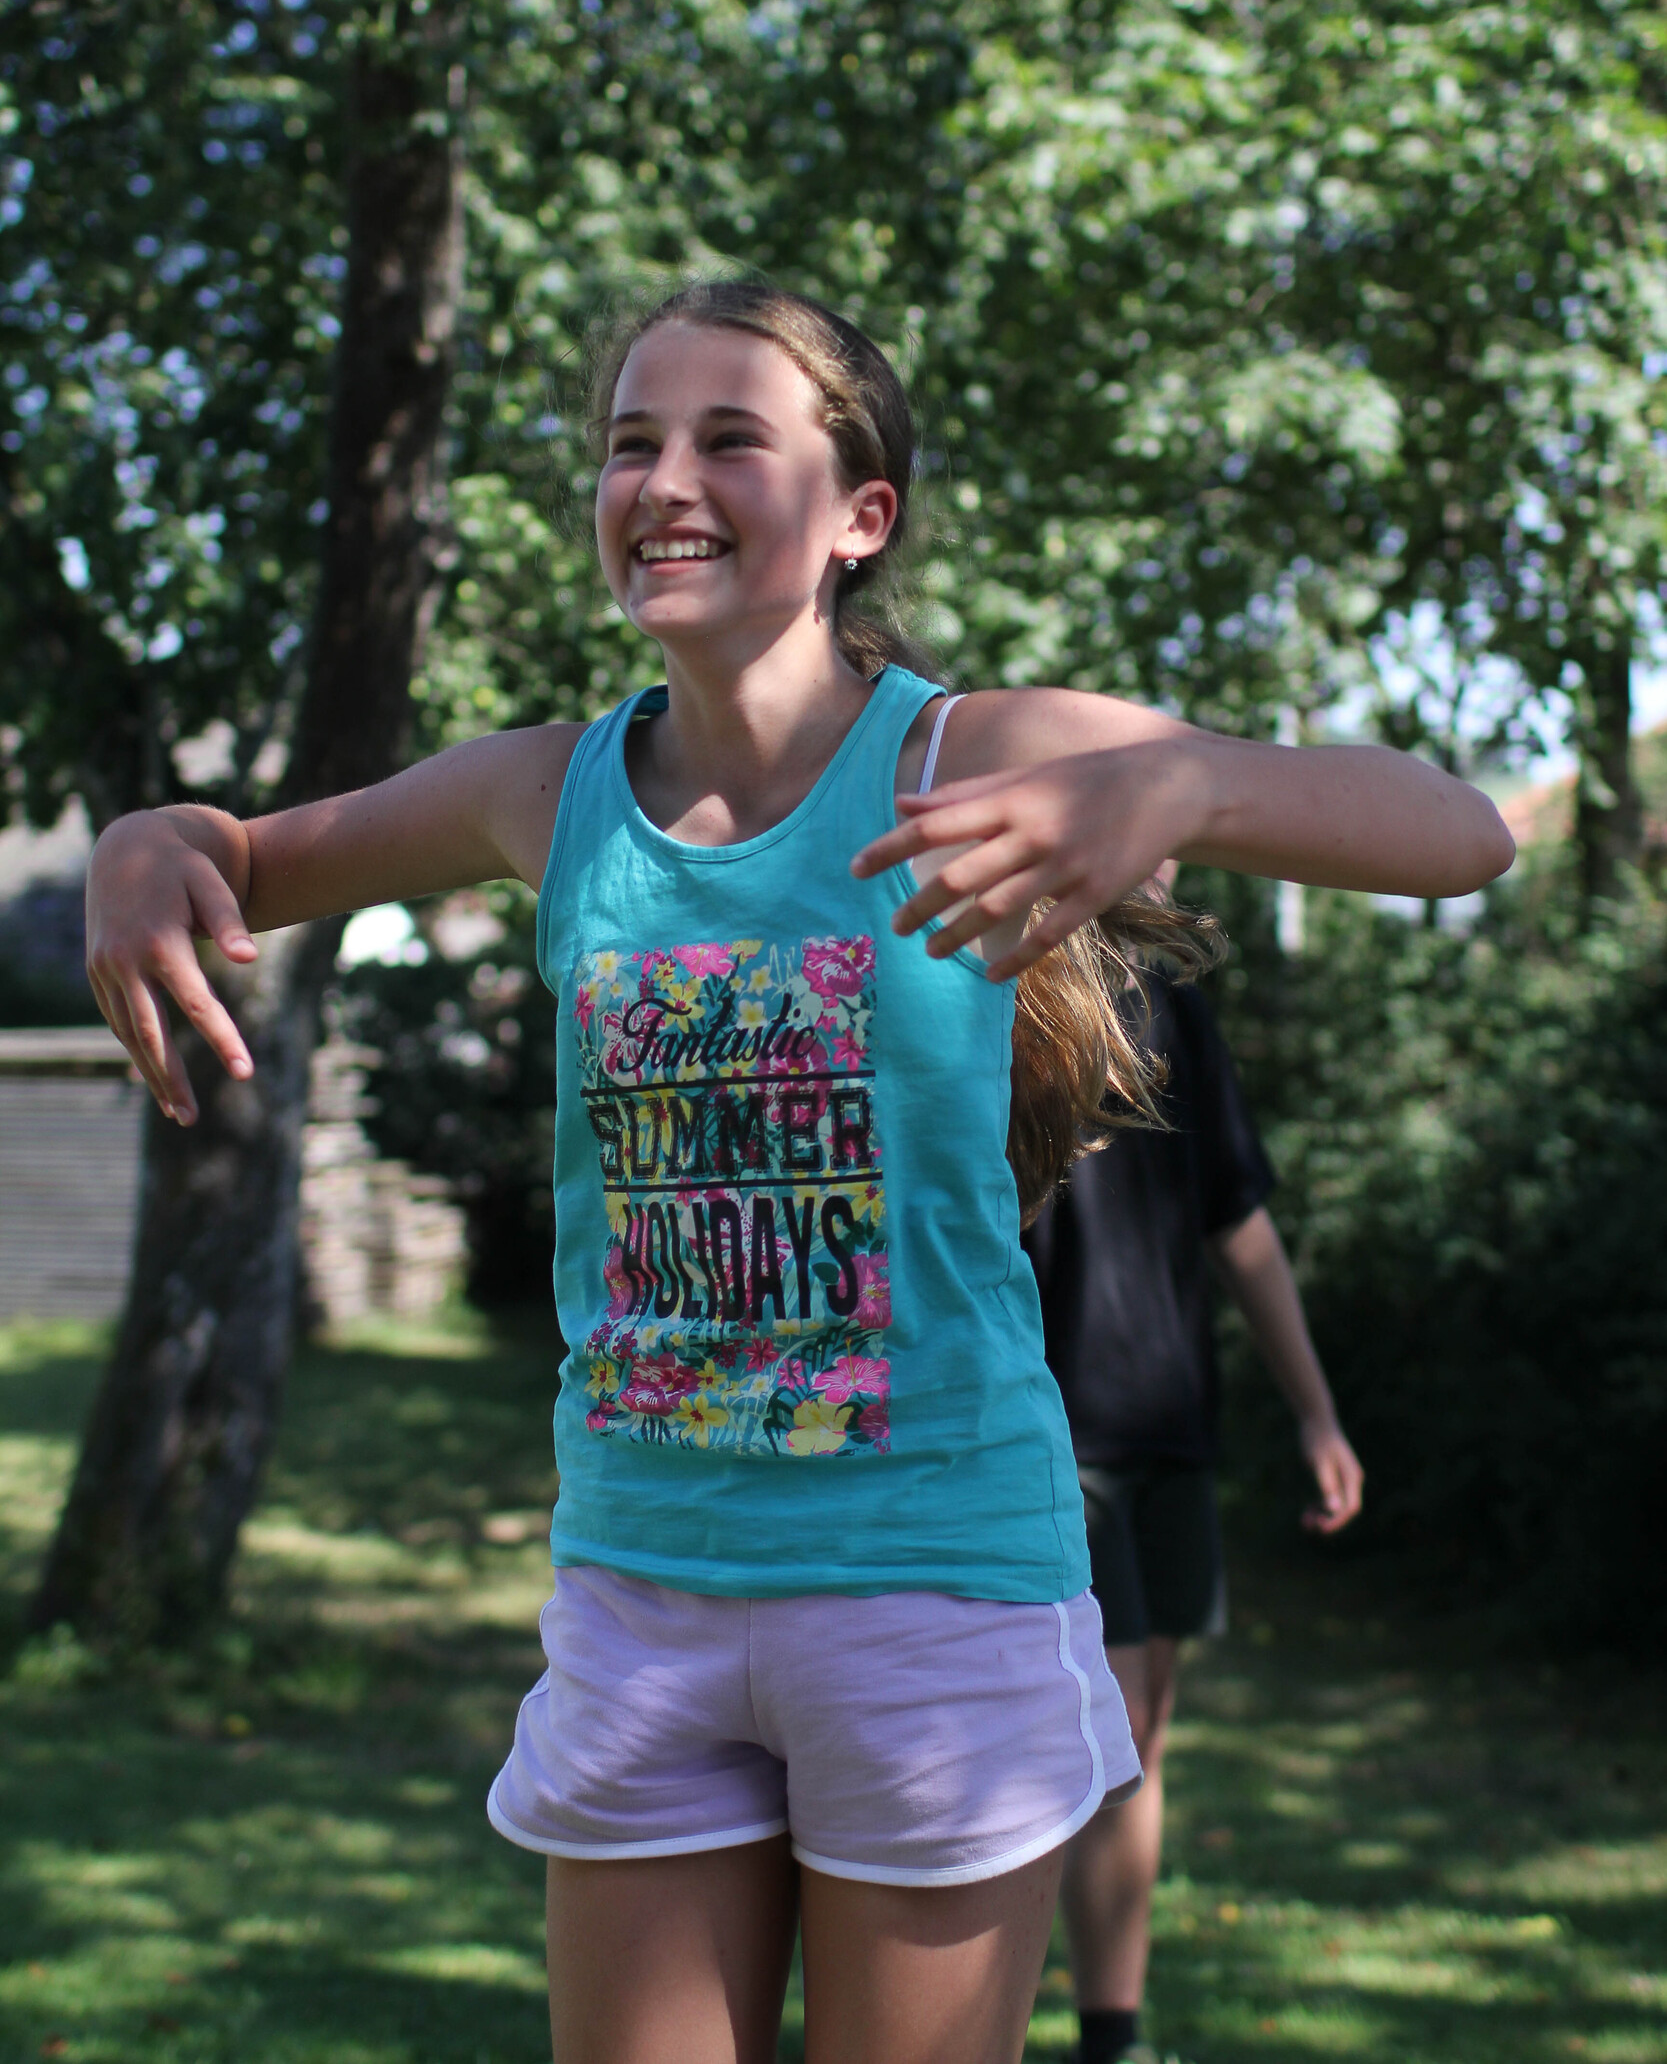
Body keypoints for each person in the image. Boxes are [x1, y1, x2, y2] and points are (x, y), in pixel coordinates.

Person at [85, 280, 1510, 2064]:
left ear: (860, 516)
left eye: (728, 439)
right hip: (643, 1598)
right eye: (630, 443)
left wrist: (1182, 787)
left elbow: (1458, 832)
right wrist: (142, 843)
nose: (662, 481)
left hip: (933, 1601)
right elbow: (234, 854)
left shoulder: (957, 751)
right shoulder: (547, 796)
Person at [1025, 908, 1363, 2064]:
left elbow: (1237, 1222)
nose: (1165, 855)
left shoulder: (1179, 1015)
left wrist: (1314, 1409)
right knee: (1097, 1740)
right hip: (1047, 1429)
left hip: (1167, 1422)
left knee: (1140, 1744)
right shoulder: (998, 993)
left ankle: (1109, 2034)